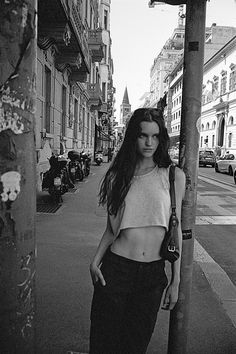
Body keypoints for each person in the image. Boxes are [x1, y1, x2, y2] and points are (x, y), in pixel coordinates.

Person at [89, 108, 186, 354]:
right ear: (134, 136)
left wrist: (176, 282)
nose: (149, 142)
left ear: (161, 138)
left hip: (152, 276)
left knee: (135, 346)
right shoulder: (117, 176)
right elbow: (112, 229)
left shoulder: (173, 176)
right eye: (143, 135)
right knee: (104, 344)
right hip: (116, 269)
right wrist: (95, 261)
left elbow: (176, 231)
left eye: (155, 136)